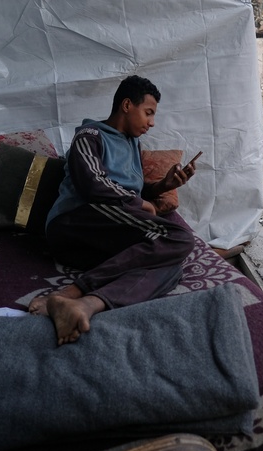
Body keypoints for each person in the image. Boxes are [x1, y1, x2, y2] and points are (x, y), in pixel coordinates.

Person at [29, 75, 197, 345]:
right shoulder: (89, 136)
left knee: (171, 265)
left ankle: (87, 304)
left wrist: (163, 186)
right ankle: (72, 292)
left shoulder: (132, 144)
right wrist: (139, 204)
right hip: (75, 222)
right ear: (127, 105)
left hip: (107, 232)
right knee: (178, 237)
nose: (152, 122)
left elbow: (132, 191)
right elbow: (93, 185)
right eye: (149, 112)